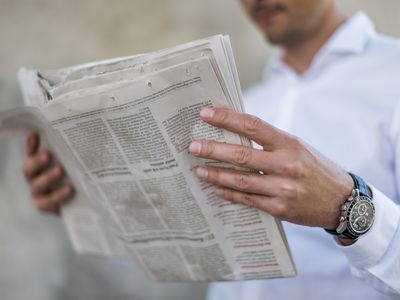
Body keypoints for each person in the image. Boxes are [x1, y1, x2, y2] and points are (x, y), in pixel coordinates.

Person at [22, 0, 400, 298]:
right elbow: (188, 255)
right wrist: (87, 203)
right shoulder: (240, 103)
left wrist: (347, 208)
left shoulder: (391, 76)